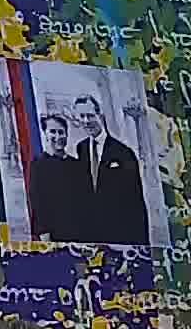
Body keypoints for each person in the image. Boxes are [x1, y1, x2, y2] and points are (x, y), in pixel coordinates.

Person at [63, 94, 148, 245]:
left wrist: (141, 243)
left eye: (90, 116)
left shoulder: (123, 153)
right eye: (82, 116)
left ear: (100, 115)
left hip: (119, 232)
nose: (86, 121)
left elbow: (135, 201)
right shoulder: (81, 148)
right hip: (92, 234)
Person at [27, 114, 81, 241]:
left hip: (79, 230)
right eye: (52, 132)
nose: (58, 137)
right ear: (45, 134)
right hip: (54, 233)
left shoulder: (76, 164)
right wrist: (44, 233)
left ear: (66, 135)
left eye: (61, 132)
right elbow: (38, 202)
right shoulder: (38, 165)